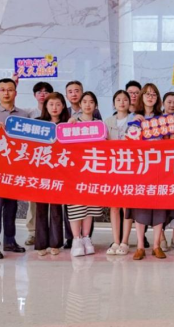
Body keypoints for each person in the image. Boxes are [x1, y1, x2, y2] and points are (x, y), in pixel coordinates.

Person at [0, 78, 30, 259]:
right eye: (2, 89)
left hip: (15, 169)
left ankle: (10, 241)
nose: (6, 93)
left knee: (11, 207)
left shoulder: (24, 115)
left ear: (15, 92)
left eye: (10, 89)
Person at [128, 83, 174, 260]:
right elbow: (127, 142)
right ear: (141, 97)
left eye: (153, 94)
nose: (150, 97)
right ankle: (140, 246)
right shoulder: (134, 117)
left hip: (159, 168)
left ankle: (156, 245)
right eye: (147, 94)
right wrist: (135, 125)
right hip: (140, 169)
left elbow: (170, 142)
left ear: (157, 98)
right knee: (140, 206)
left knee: (159, 206)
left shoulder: (163, 119)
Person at [66, 91, 105, 257]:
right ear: (80, 105)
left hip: (94, 170)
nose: (88, 105)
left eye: (91, 102)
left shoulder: (100, 125)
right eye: (85, 102)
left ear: (95, 105)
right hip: (75, 171)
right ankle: (76, 239)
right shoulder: (73, 123)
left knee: (90, 206)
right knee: (75, 205)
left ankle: (86, 237)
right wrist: (69, 125)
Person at [34, 92, 69, 256]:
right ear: (45, 106)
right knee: (40, 209)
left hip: (59, 172)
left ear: (63, 106)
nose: (54, 108)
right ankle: (41, 244)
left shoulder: (67, 125)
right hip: (41, 172)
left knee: (56, 209)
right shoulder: (37, 124)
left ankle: (56, 243)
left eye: (58, 104)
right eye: (51, 104)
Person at [104, 90, 136, 255]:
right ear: (114, 103)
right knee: (114, 206)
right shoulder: (107, 121)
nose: (122, 102)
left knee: (126, 205)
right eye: (118, 99)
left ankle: (125, 241)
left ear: (129, 102)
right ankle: (115, 241)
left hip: (130, 168)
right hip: (113, 168)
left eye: (125, 99)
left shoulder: (136, 120)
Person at [24, 81, 53, 247]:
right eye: (39, 92)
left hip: (55, 162)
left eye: (46, 91)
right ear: (35, 95)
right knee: (34, 200)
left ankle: (55, 233)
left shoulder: (59, 112)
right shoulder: (29, 113)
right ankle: (33, 232)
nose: (43, 94)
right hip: (36, 162)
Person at [160, 91, 174, 251]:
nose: (172, 105)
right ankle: (161, 237)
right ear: (163, 103)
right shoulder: (155, 121)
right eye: (169, 102)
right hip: (159, 167)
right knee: (160, 202)